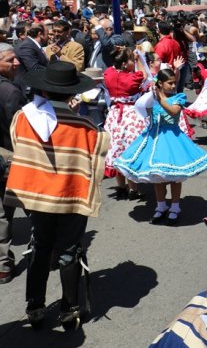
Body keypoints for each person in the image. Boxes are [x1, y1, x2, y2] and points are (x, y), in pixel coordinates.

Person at [4, 61, 110, 331]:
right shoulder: (85, 125)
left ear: (45, 91)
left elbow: (20, 148)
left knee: (40, 246)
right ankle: (69, 309)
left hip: (38, 196)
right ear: (72, 94)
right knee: (69, 250)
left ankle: (35, 307)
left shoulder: (24, 119)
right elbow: (95, 164)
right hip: (72, 196)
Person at [114, 68, 207, 225]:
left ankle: (175, 206)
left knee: (175, 176)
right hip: (154, 137)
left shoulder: (178, 98)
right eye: (170, 83)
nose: (174, 85)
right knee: (157, 176)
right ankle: (161, 205)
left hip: (172, 139)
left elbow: (174, 112)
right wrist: (149, 99)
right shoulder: (151, 99)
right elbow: (144, 112)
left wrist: (159, 98)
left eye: (175, 82)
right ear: (160, 84)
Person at [103, 47, 149, 200]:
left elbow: (112, 67)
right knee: (129, 150)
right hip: (130, 116)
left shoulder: (109, 73)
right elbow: (144, 74)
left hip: (114, 115)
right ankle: (133, 188)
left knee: (116, 148)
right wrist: (138, 59)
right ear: (124, 64)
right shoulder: (131, 79)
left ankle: (121, 186)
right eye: (129, 60)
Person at [0, 43, 23, 284]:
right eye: (10, 60)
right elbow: (18, 131)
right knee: (35, 209)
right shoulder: (10, 92)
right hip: (11, 160)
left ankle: (3, 267)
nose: (16, 63)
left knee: (2, 216)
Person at [14, 23, 48, 88]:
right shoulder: (26, 46)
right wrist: (54, 71)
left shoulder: (31, 44)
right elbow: (34, 68)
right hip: (27, 88)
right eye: (47, 34)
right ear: (40, 34)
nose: (49, 36)